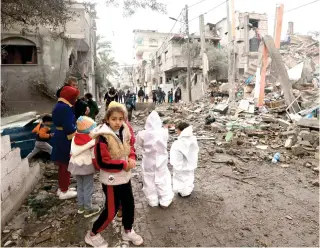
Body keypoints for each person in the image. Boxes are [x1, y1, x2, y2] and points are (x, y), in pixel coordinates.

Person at [85, 104, 143, 248]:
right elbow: (102, 163)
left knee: (129, 205)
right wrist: (123, 164)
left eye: (120, 119)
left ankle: (128, 230)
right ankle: (92, 234)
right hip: (111, 180)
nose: (117, 122)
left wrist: (132, 157)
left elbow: (130, 148)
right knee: (111, 210)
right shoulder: (102, 138)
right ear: (107, 119)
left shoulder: (125, 131)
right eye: (114, 119)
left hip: (125, 177)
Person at [136, 111, 174, 208]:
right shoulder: (164, 132)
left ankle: (152, 200)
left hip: (149, 160)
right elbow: (166, 140)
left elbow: (139, 144)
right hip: (161, 159)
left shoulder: (142, 134)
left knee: (149, 179)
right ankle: (165, 199)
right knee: (162, 178)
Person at [68, 116, 101, 218]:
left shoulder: (74, 138)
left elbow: (70, 153)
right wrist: (98, 168)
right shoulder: (91, 141)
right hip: (86, 166)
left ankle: (81, 207)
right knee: (88, 188)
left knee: (80, 186)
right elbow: (94, 157)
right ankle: (88, 209)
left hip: (75, 166)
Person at [52, 86, 79, 200]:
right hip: (65, 138)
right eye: (74, 97)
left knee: (62, 165)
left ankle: (63, 187)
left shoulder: (59, 106)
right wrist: (77, 132)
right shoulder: (66, 108)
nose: (75, 100)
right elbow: (69, 127)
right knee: (65, 165)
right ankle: (64, 191)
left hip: (60, 135)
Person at [170, 122, 199, 197]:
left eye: (178, 130)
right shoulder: (192, 139)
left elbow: (176, 156)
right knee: (188, 177)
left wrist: (176, 166)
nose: (176, 131)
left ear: (182, 130)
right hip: (190, 164)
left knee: (182, 178)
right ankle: (187, 191)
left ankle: (184, 192)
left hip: (182, 164)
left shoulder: (179, 143)